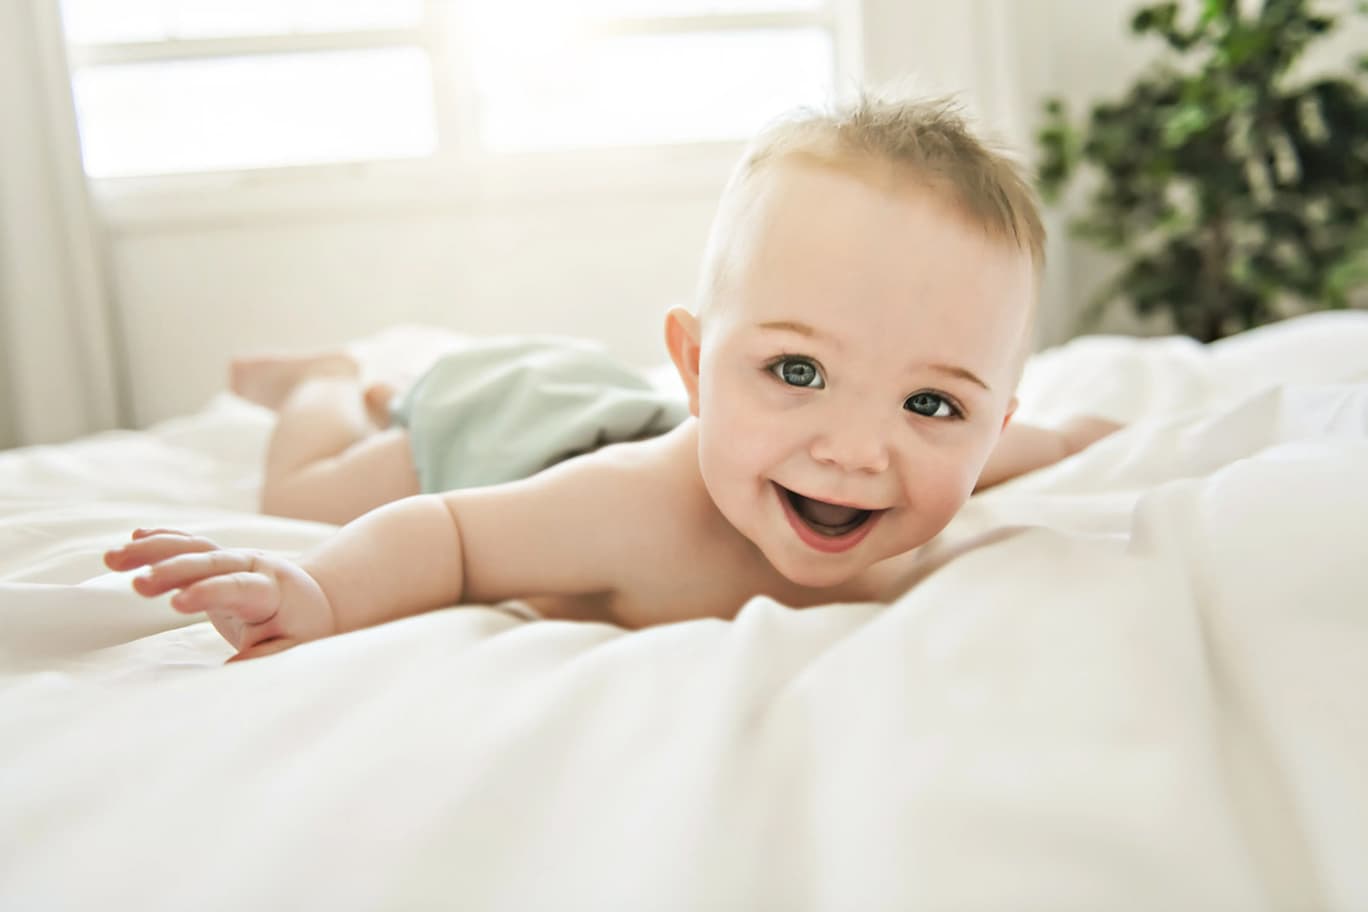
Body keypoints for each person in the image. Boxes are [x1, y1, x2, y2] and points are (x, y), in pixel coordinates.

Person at [105, 92, 1119, 662]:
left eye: (931, 403)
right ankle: (333, 383)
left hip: (602, 397)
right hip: (498, 424)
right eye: (797, 369)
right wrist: (316, 593)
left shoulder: (947, 466)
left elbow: (1038, 444)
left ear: (990, 427)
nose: (857, 450)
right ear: (694, 363)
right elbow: (450, 537)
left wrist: (1088, 440)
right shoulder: (628, 511)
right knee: (304, 491)